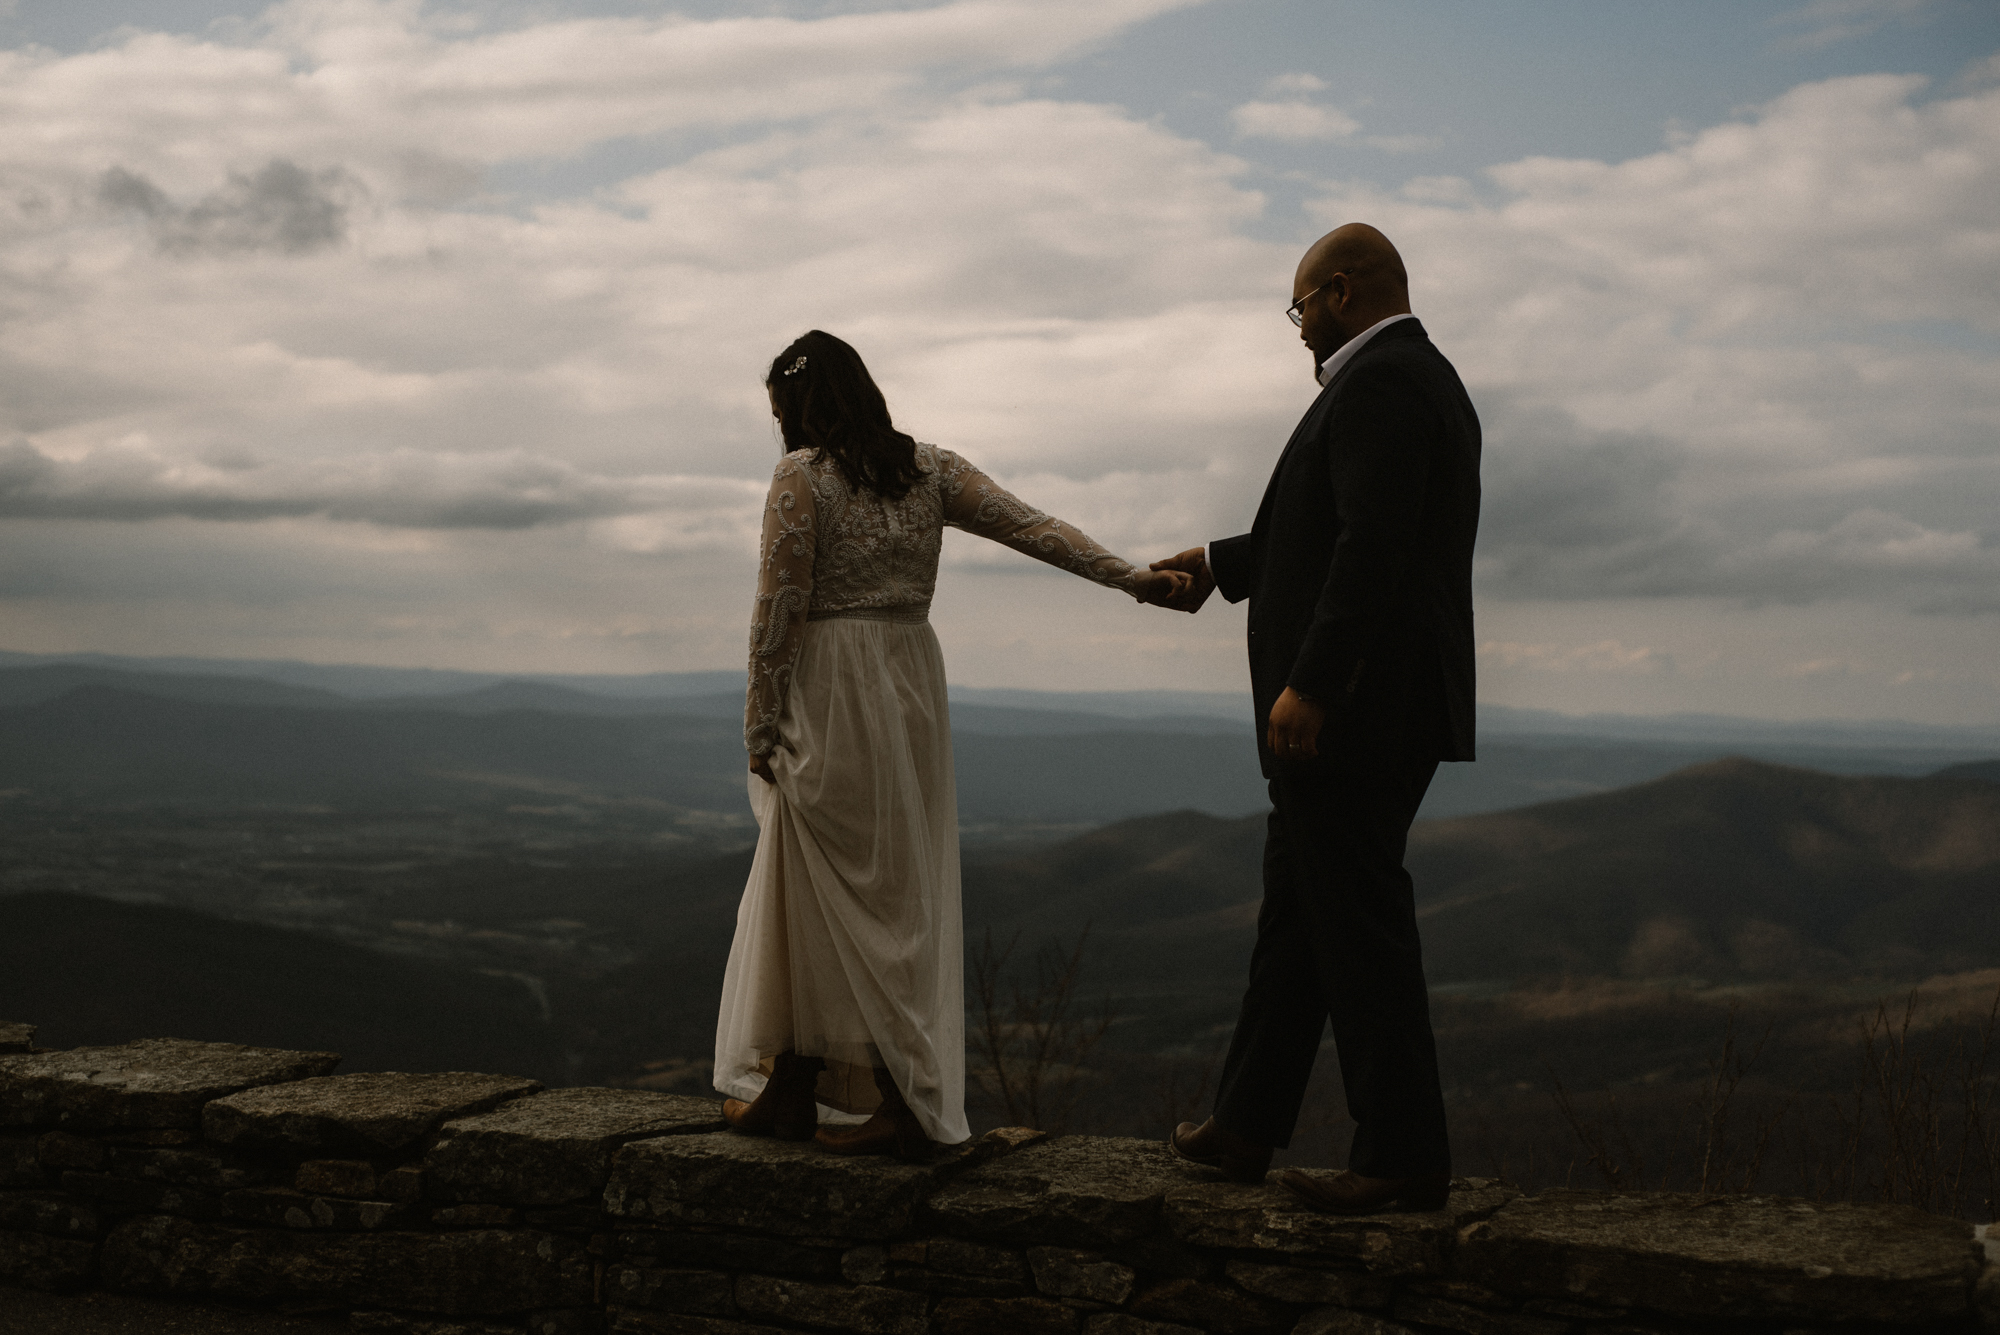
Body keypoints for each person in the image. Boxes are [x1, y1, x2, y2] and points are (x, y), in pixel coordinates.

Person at [713, 329, 1191, 1160]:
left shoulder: (801, 476)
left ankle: (870, 1095)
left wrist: (759, 723)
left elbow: (778, 607)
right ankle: (803, 1082)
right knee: (893, 890)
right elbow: (1030, 526)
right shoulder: (928, 468)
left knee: (818, 882)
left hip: (830, 689)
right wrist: (1126, 576)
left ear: (799, 404)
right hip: (907, 685)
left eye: (779, 407)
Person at [1151, 223, 1480, 1213]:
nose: (1294, 330)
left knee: (1357, 925)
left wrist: (1317, 681)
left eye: (1297, 308)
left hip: (1356, 709)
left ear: (1337, 292)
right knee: (1300, 915)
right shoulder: (1415, 379)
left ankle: (1400, 1157)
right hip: (1378, 702)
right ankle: (1245, 1124)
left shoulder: (1377, 382)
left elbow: (1371, 544)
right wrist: (1217, 567)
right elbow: (1322, 527)